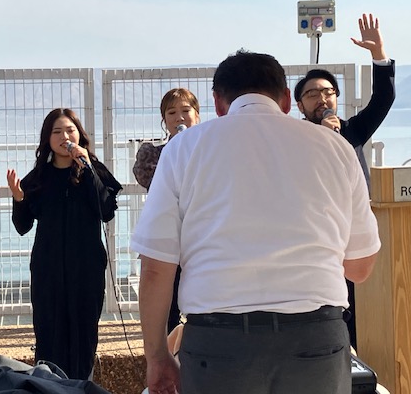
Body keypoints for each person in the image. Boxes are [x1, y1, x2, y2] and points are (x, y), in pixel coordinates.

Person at [131, 50, 380, 394]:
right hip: (316, 338)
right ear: (286, 100)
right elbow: (360, 268)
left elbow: (156, 268)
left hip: (217, 342)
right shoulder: (336, 148)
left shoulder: (183, 149)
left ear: (218, 103)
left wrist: (157, 355)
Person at [293, 13, 395, 349]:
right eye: (312, 94)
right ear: (299, 105)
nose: (322, 99)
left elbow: (383, 100)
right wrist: (321, 137)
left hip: (356, 238)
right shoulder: (294, 139)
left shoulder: (352, 130)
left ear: (337, 97)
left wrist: (378, 54)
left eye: (328, 92)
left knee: (360, 311)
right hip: (317, 241)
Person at [7, 108, 122, 380]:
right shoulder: (39, 177)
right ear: (47, 139)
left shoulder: (93, 169)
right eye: (56, 132)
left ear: (79, 135)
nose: (64, 137)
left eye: (70, 130)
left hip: (86, 269)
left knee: (84, 334)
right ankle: (50, 385)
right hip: (48, 270)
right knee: (50, 333)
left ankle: (82, 384)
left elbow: (106, 211)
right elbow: (22, 226)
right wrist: (18, 198)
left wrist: (87, 167)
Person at [132, 88, 200, 333]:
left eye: (185, 110)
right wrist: (177, 149)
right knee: (168, 309)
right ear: (164, 120)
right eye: (171, 112)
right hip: (167, 239)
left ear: (197, 115)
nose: (179, 117)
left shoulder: (211, 152)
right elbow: (151, 181)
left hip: (202, 237)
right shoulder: (153, 154)